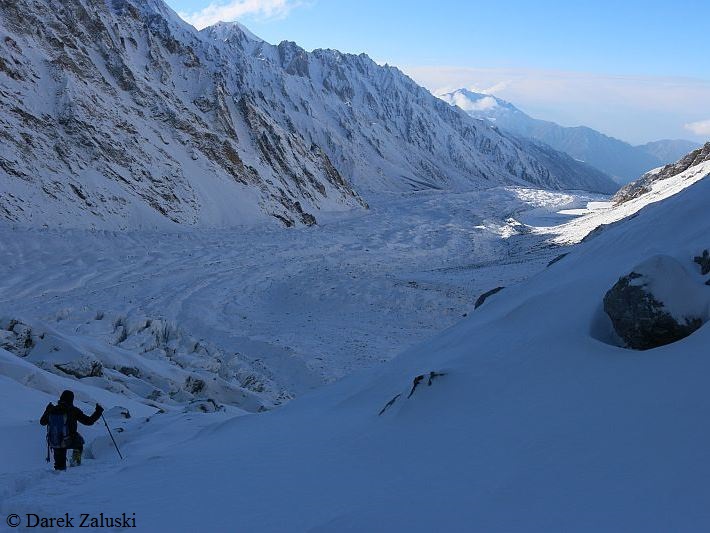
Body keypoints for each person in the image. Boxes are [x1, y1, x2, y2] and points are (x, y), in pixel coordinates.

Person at [40, 390, 104, 471]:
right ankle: (75, 464)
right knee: (79, 443)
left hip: (55, 440)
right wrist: (98, 412)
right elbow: (89, 421)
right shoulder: (73, 410)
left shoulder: (53, 409)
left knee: (59, 467)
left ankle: (58, 478)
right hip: (70, 440)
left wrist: (47, 410)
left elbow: (42, 422)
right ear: (71, 399)